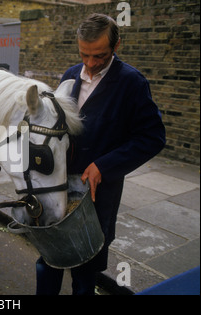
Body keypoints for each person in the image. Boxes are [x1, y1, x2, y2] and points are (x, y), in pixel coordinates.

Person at [36, 13, 166, 295]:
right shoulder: (71, 75)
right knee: (48, 259)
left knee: (85, 269)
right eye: (85, 55)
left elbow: (153, 137)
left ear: (116, 46)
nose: (91, 64)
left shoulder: (132, 83)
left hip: (97, 192)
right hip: (58, 184)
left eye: (100, 56)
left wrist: (104, 166)